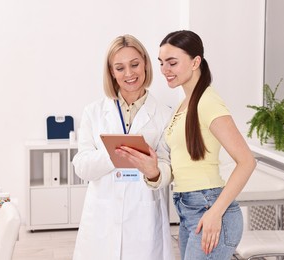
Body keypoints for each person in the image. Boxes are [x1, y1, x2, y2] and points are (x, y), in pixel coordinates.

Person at [72, 34, 175, 260]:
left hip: (144, 215)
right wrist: (114, 153)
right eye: (120, 68)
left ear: (146, 64)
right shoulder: (94, 112)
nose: (129, 74)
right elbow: (81, 166)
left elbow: (169, 167)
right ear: (111, 72)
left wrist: (155, 172)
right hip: (103, 215)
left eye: (135, 64)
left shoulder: (165, 115)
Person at [158, 30, 257, 259]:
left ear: (195, 62)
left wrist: (215, 212)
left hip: (208, 207)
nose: (165, 70)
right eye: (162, 63)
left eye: (172, 63)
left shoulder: (208, 102)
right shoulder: (185, 103)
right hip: (188, 209)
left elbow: (247, 162)